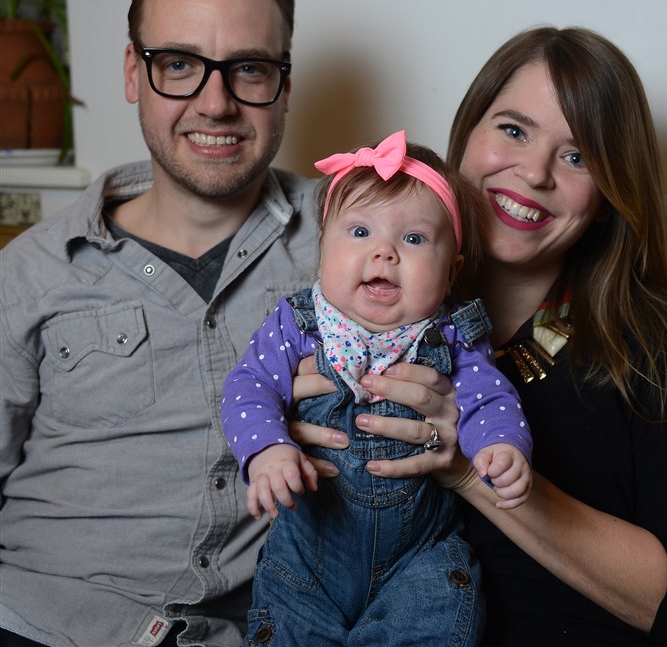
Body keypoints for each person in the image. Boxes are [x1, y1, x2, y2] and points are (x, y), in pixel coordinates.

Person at [330, 27, 667, 646]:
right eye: (513, 130)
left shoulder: (662, 351)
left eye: (578, 157)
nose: (535, 172)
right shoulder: (358, 302)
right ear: (466, 133)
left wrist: (469, 471)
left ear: (608, 195)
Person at [0, 0, 324, 646]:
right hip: (43, 624)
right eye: (179, 64)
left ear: (284, 85)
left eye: (249, 69)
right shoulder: (28, 274)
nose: (216, 103)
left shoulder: (352, 238)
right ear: (133, 73)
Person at [221, 131, 533, 645]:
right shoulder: (298, 323)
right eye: (360, 231)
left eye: (414, 240)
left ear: (450, 271)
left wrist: (502, 445)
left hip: (419, 562)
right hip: (307, 566)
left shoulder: (452, 335)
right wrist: (267, 450)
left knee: (439, 612)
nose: (384, 252)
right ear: (322, 250)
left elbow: (491, 398)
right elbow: (248, 386)